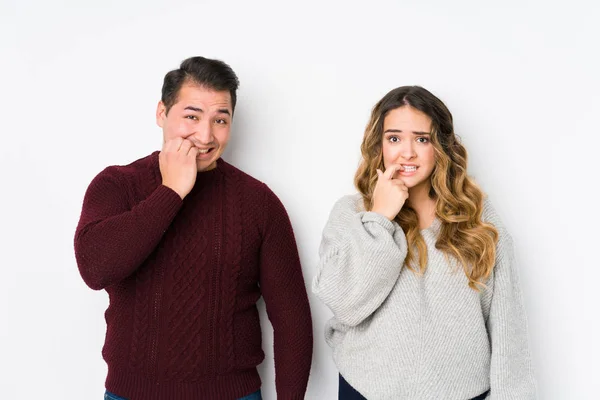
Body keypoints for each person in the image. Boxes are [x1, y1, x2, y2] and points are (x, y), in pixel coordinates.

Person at [74, 56, 313, 400]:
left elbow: (292, 321)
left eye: (220, 119)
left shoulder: (258, 203)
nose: (205, 135)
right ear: (161, 113)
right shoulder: (116, 185)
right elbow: (95, 269)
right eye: (191, 116)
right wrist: (171, 192)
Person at [312, 86, 537, 399]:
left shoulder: (477, 218)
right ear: (379, 145)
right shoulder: (352, 214)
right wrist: (380, 217)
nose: (407, 152)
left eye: (422, 139)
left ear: (440, 146)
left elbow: (507, 327)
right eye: (394, 138)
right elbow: (346, 303)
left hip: (462, 392)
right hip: (365, 389)